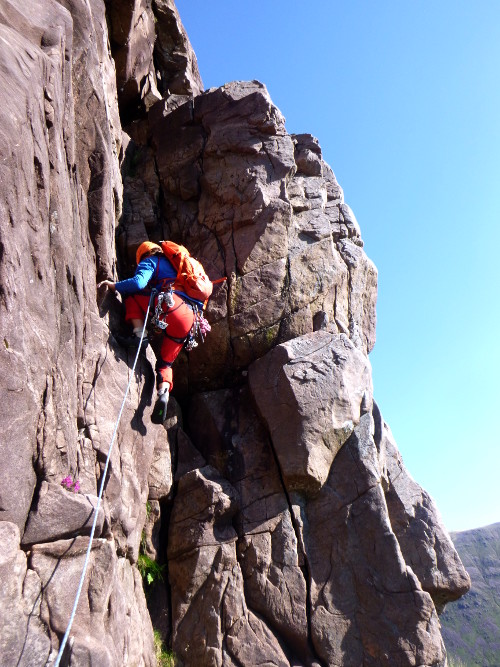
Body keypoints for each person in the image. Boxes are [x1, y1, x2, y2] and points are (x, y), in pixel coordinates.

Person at [98, 241, 199, 424]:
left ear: (143, 255)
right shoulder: (176, 266)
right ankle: (163, 394)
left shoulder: (151, 261)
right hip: (190, 320)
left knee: (129, 293)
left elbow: (138, 283)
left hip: (172, 306)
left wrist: (114, 286)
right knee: (164, 364)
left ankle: (139, 334)